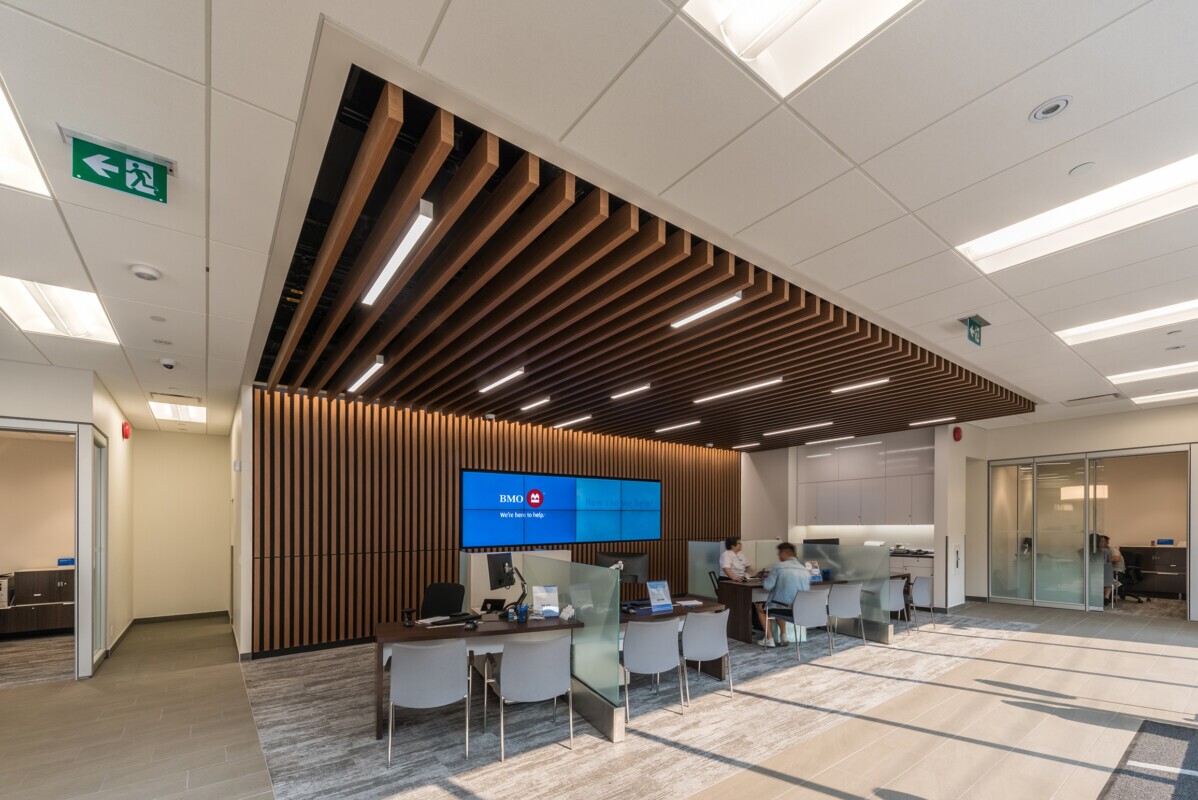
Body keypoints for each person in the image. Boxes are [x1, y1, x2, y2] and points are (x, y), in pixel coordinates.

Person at [756, 542, 810, 648]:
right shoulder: (804, 569)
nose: (779, 556)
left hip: (785, 609)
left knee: (759, 606)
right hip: (800, 610)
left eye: (779, 553)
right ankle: (783, 636)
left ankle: (769, 639)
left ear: (784, 553)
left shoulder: (779, 567)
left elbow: (767, 586)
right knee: (781, 603)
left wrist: (763, 578)